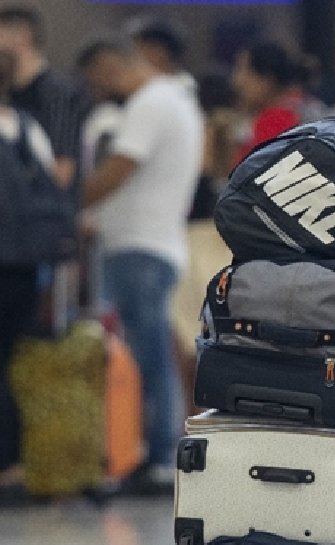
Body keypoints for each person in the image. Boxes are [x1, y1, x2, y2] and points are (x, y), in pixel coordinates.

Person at [78, 39, 203, 496]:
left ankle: (159, 459)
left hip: (140, 248)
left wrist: (67, 204)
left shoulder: (150, 103)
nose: (99, 91)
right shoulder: (177, 100)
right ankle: (156, 456)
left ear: (112, 67)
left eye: (98, 80)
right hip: (155, 245)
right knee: (154, 354)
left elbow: (119, 169)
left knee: (151, 357)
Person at [0, 49, 55, 506]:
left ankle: (8, 467)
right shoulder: (26, 129)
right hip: (24, 267)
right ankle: (14, 469)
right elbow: (54, 189)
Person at [0, 4, 90, 191]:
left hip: (40, 202)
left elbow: (63, 170)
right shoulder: (10, 94)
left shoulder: (59, 93)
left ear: (22, 35)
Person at [230, 40, 321, 165]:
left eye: (245, 72)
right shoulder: (295, 108)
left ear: (266, 81)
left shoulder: (275, 121)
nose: (237, 81)